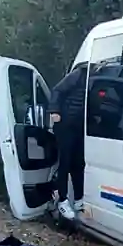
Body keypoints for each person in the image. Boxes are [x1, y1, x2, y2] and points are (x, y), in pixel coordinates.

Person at [47, 62, 88, 221]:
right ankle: (62, 201)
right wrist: (54, 111)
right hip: (65, 125)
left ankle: (79, 201)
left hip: (79, 127)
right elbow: (57, 90)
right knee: (65, 163)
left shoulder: (93, 78)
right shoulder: (79, 74)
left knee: (78, 164)